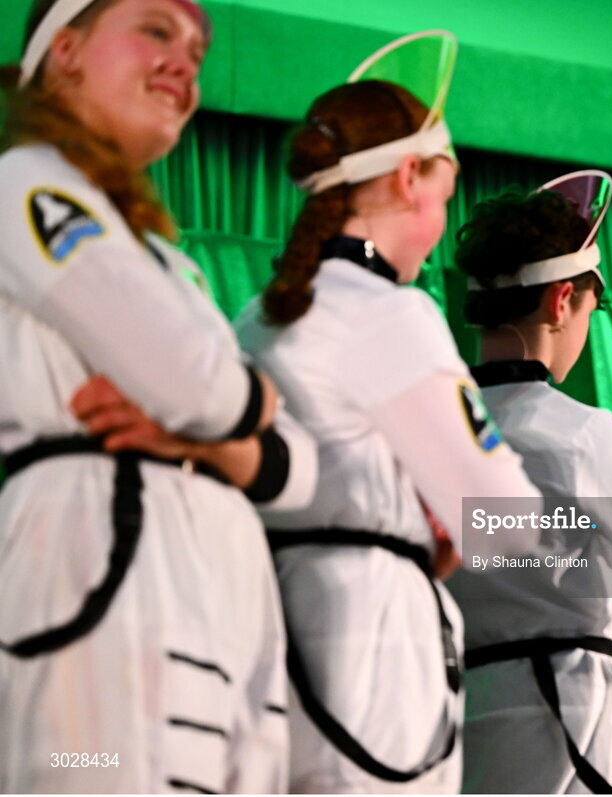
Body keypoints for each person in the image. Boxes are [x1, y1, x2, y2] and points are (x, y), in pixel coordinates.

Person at [0, 0, 316, 791]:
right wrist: (252, 407)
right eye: (155, 30)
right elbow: (205, 389)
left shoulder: (175, 268)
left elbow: (298, 464)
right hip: (116, 577)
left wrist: (212, 435)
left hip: (223, 601)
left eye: (197, 50)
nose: (185, 62)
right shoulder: (26, 185)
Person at [235, 31, 542, 794]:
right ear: (410, 178)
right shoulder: (390, 312)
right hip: (372, 648)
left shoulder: (254, 317)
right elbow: (508, 520)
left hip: (265, 633)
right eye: (447, 188)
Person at [448, 172, 612, 794]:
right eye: (592, 309)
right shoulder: (587, 434)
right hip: (579, 721)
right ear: (562, 301)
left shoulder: (430, 426)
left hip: (460, 713)